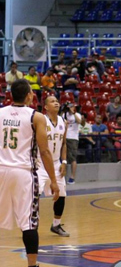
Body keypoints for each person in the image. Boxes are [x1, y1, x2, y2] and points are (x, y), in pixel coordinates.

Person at [0, 79, 59, 267]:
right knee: (29, 223)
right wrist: (53, 180)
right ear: (28, 96)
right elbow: (44, 151)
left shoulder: (0, 113)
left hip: (1, 170)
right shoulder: (36, 116)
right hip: (23, 172)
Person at [37, 96, 70, 237]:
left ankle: (56, 225)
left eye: (57, 101)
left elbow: (64, 144)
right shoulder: (41, 121)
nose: (56, 102)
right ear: (45, 107)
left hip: (56, 162)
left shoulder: (64, 122)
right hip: (40, 162)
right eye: (52, 101)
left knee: (61, 195)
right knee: (34, 195)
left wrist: (64, 162)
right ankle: (30, 225)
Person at [62, 103, 81, 184]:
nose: (71, 108)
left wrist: (73, 112)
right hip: (64, 137)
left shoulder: (77, 115)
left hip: (73, 138)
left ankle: (72, 177)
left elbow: (79, 121)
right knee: (63, 157)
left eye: (72, 106)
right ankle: (62, 176)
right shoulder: (64, 114)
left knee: (72, 157)